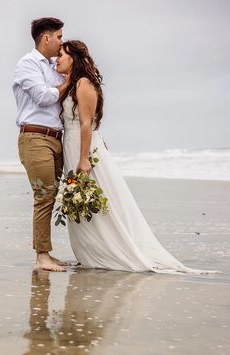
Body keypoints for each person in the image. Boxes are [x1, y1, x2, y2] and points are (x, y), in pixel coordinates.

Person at [56, 40, 213, 274]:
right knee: (80, 199)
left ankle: (111, 249)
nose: (56, 59)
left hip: (82, 148)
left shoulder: (84, 83)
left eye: (61, 54)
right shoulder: (70, 83)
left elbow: (87, 123)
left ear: (74, 58)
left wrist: (84, 158)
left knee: (95, 198)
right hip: (72, 145)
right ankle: (91, 251)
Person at [13, 17, 69, 272]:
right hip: (34, 137)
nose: (61, 41)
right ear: (46, 38)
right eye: (59, 36)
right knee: (44, 196)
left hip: (56, 138)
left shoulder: (53, 67)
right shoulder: (27, 64)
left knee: (52, 195)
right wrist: (69, 82)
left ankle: (46, 252)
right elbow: (44, 97)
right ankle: (42, 256)